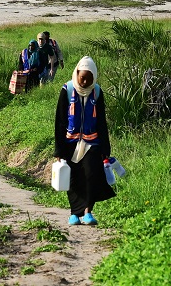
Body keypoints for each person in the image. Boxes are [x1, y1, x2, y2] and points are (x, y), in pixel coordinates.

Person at [54, 56, 115, 226]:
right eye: (82, 77)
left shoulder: (96, 91)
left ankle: (88, 212)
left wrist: (105, 146)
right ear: (77, 74)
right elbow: (60, 121)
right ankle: (74, 213)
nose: (85, 82)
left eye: (89, 78)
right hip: (70, 143)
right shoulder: (67, 89)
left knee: (90, 175)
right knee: (74, 178)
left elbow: (101, 121)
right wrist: (59, 150)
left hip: (92, 143)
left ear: (94, 77)